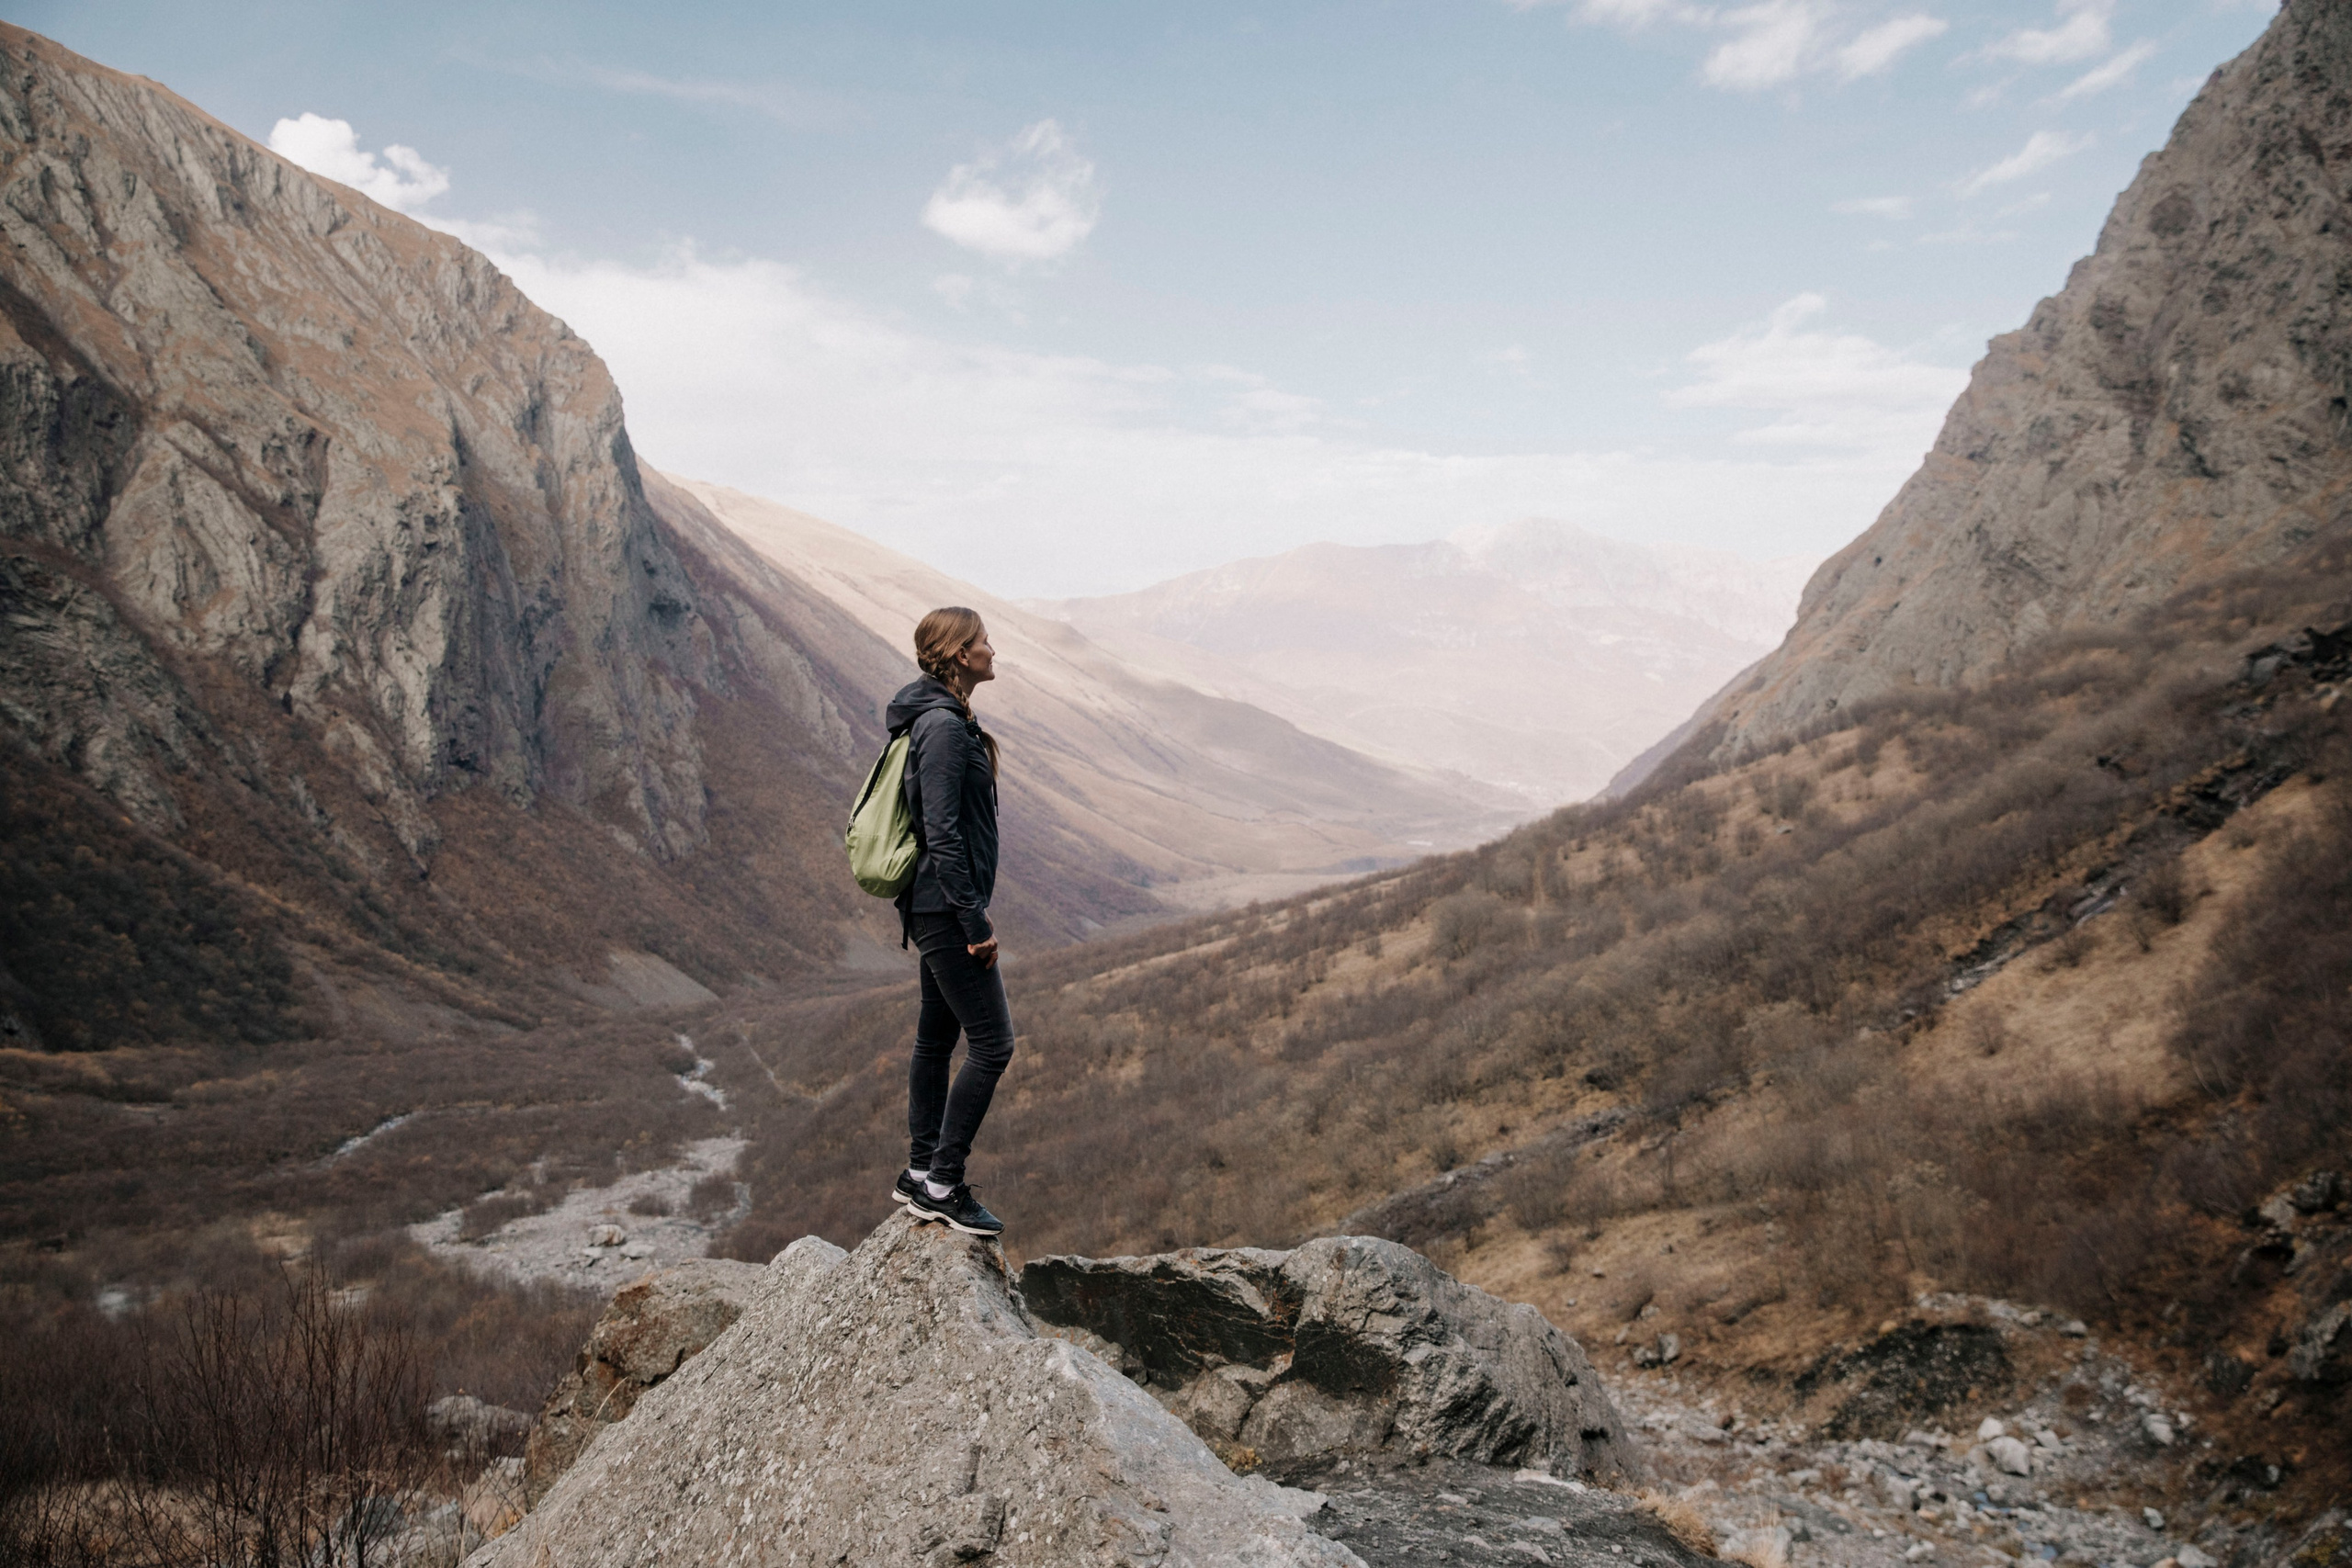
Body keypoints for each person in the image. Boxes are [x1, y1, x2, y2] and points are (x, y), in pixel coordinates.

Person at [885, 607, 1011, 1237]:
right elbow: (943, 831)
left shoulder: (943, 719)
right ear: (961, 654)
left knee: (936, 1039)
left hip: (936, 906)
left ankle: (919, 1171)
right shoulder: (943, 727)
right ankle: (943, 1180)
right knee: (993, 1043)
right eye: (983, 640)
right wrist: (975, 921)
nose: (993, 648)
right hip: (945, 908)